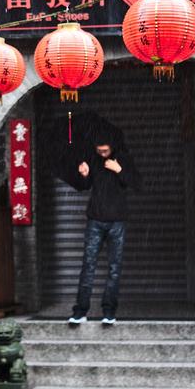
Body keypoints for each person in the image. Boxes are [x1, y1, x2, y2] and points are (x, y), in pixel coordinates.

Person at [68, 132, 138, 328]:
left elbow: (133, 182)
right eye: (99, 150)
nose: (102, 153)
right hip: (95, 221)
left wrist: (119, 170)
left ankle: (109, 312)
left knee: (114, 269)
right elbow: (84, 186)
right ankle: (80, 312)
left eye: (105, 150)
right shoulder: (92, 160)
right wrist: (83, 175)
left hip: (117, 222)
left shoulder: (123, 158)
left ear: (112, 147)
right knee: (88, 266)